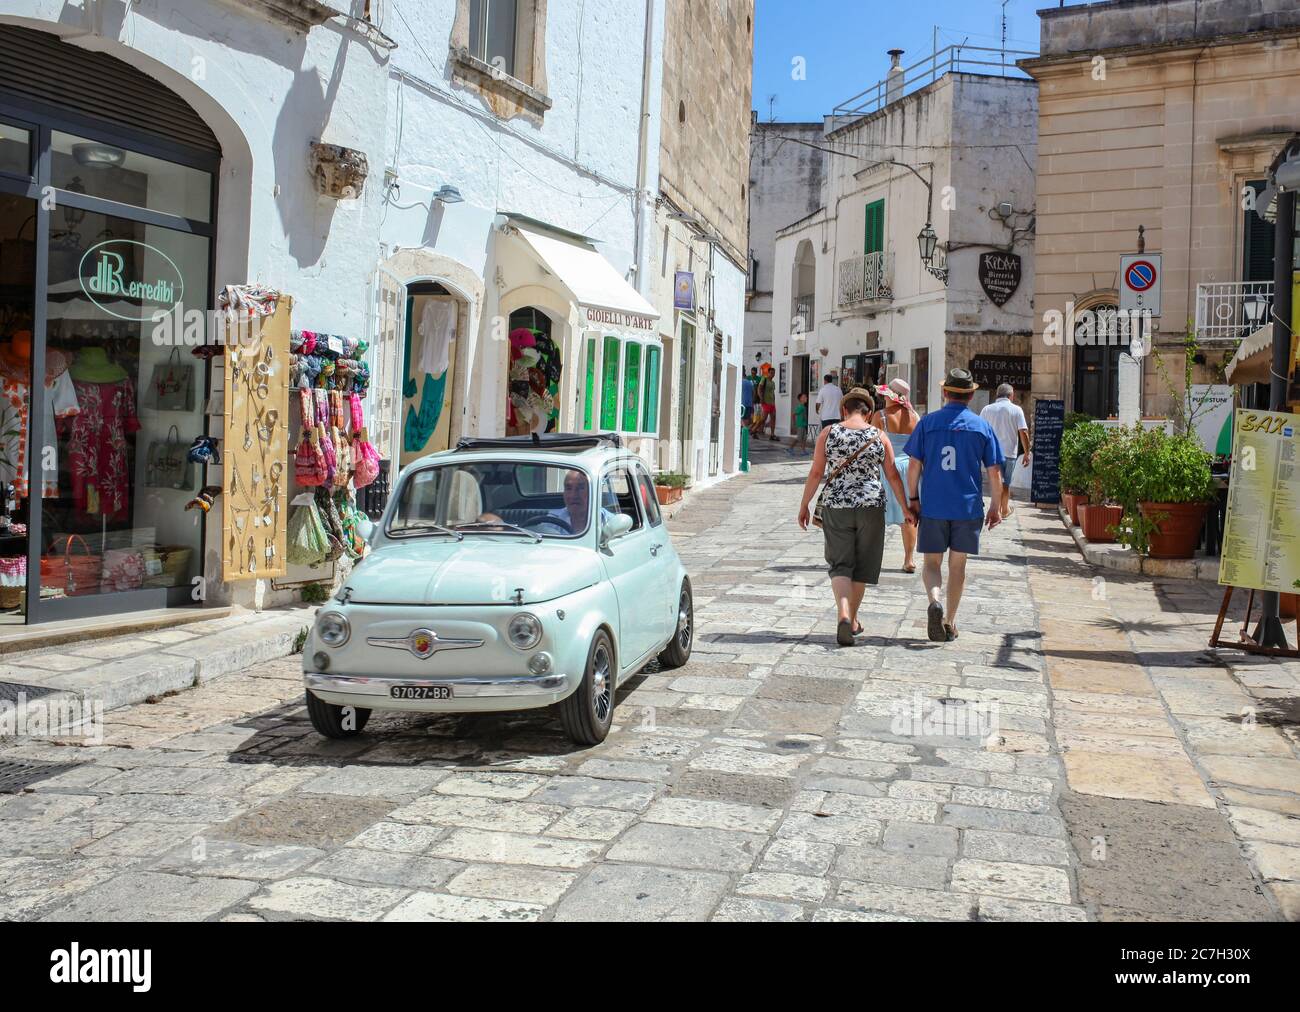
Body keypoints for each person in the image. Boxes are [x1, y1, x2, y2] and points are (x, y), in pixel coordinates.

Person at [798, 387, 915, 647]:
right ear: (869, 412)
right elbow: (894, 475)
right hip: (871, 507)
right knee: (862, 567)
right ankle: (852, 620)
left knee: (840, 565)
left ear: (843, 410)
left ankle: (842, 612)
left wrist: (804, 505)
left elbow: (816, 473)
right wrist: (906, 508)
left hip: (836, 506)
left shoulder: (829, 433)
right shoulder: (878, 435)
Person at [903, 368, 1004, 643]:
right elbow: (994, 473)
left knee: (932, 562)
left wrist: (913, 500)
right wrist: (996, 507)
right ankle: (949, 621)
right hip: (967, 507)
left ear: (945, 393)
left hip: (934, 505)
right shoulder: (981, 427)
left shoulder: (928, 423)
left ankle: (934, 600)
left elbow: (914, 466)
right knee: (958, 567)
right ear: (971, 395)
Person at [871, 378, 921, 573]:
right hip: (910, 468)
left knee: (876, 515)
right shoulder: (915, 416)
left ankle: (873, 559)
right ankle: (909, 559)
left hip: (888, 468)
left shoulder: (880, 416)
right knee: (908, 515)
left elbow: (874, 445)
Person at [979, 383, 1030, 519]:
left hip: (992, 453)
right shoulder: (1016, 410)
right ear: (1011, 395)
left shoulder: (986, 409)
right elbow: (1023, 432)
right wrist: (1026, 453)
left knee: (995, 481)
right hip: (1009, 452)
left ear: (997, 395)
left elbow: (980, 431)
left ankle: (997, 508)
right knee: (1006, 483)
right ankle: (1004, 509)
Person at [758, 364, 778, 441]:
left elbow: (773, 393)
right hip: (765, 402)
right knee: (764, 419)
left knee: (773, 418)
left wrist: (774, 401)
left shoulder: (773, 383)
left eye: (774, 373)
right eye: (771, 373)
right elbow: (759, 388)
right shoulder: (764, 379)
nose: (773, 374)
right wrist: (761, 398)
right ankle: (754, 429)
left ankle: (772, 434)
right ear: (768, 373)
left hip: (772, 403)